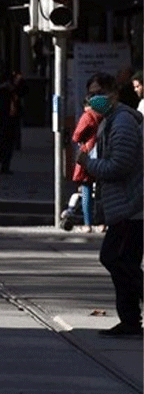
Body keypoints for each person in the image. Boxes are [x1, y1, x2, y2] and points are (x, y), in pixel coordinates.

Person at [75, 72, 144, 338]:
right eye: (90, 95)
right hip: (124, 206)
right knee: (124, 261)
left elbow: (119, 164)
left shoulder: (123, 122)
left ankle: (130, 319)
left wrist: (87, 163)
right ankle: (129, 321)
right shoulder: (110, 120)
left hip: (132, 206)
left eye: (98, 93)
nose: (94, 99)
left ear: (113, 94)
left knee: (114, 258)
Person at [70, 96, 102, 233]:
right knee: (101, 190)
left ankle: (87, 223)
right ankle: (102, 223)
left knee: (86, 188)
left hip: (88, 152)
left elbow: (76, 135)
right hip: (103, 153)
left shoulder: (87, 116)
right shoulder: (106, 115)